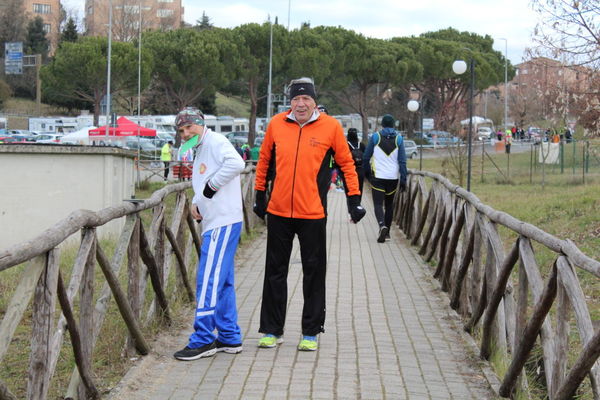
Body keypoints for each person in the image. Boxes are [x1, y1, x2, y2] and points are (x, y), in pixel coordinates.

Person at [253, 77, 365, 352]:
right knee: (274, 273)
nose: (300, 104)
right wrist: (259, 196)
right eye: (296, 99)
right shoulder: (277, 124)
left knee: (313, 273)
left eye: (306, 99)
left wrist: (354, 201)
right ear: (289, 102)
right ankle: (271, 330)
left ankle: (311, 332)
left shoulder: (330, 127)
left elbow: (347, 164)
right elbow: (264, 161)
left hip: (313, 212)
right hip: (278, 210)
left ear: (314, 101)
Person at [172, 107, 246, 361]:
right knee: (222, 280)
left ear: (199, 124)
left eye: (189, 127)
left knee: (208, 279)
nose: (185, 133)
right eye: (181, 130)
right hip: (216, 220)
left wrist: (212, 188)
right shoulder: (200, 146)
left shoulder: (215, 141)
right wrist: (197, 199)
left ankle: (203, 338)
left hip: (222, 221)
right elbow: (202, 177)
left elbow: (236, 163)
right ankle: (228, 335)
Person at [363, 114, 407, 243]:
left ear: (382, 125)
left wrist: (366, 173)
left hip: (378, 176)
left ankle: (381, 225)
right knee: (389, 205)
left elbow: (366, 157)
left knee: (377, 204)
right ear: (393, 125)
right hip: (393, 177)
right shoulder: (399, 139)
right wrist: (403, 178)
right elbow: (402, 161)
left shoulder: (375, 137)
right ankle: (387, 233)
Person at [346, 127, 365, 202]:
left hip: (350, 170)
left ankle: (352, 206)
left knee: (350, 190)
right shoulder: (362, 145)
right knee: (360, 189)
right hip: (360, 170)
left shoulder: (346, 145)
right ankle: (358, 204)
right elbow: (366, 158)